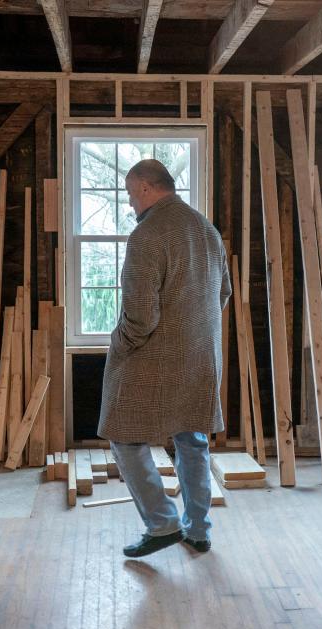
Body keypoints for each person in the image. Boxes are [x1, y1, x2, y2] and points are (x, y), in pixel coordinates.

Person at [98, 158, 231, 558]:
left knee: (123, 435)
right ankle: (198, 530)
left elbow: (140, 316)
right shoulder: (207, 229)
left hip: (153, 357)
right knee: (192, 438)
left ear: (143, 187)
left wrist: (118, 343)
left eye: (128, 194)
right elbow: (222, 294)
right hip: (201, 356)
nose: (130, 203)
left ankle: (162, 524)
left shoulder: (148, 235)